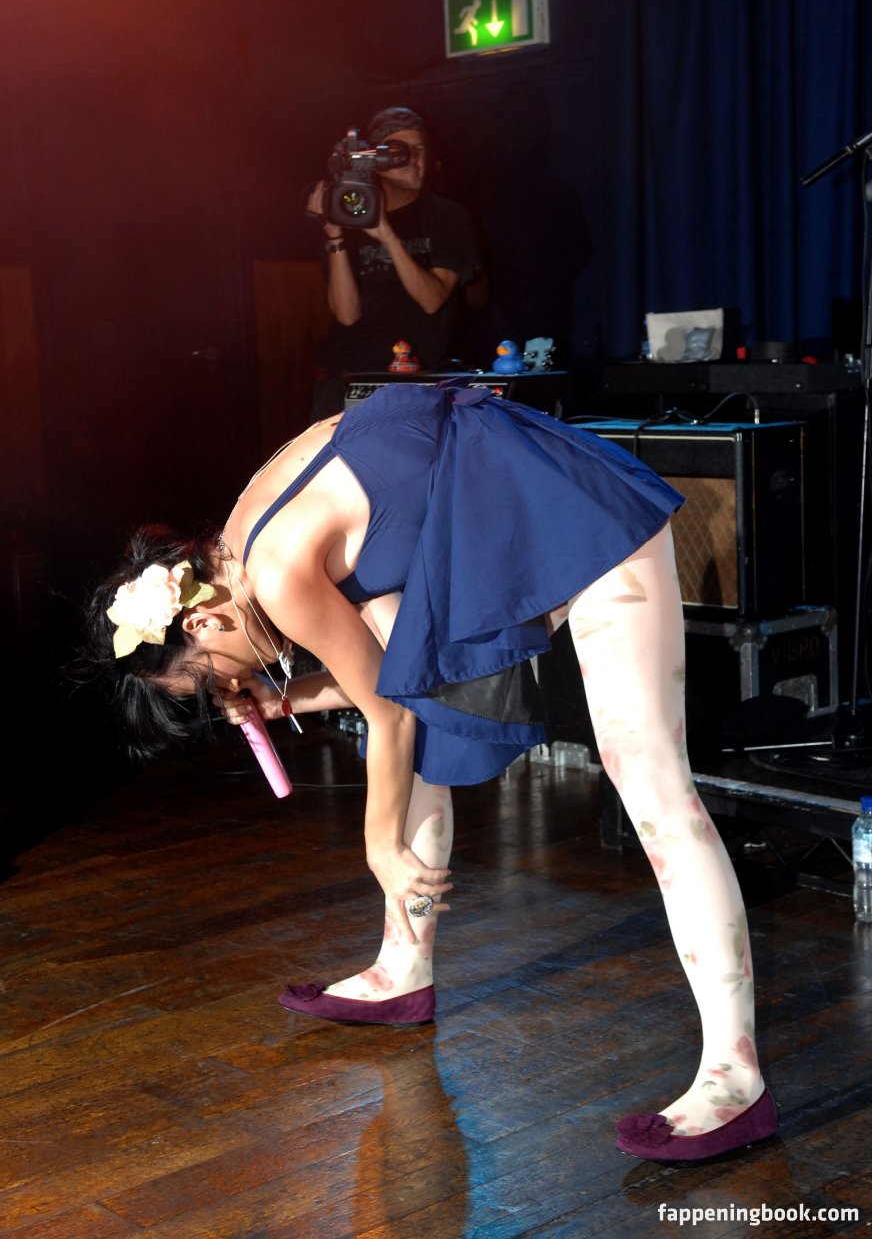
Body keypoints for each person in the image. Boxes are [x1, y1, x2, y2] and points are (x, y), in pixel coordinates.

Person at [86, 381, 776, 1163]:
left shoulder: (276, 571)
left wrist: (380, 846)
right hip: (495, 512)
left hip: (578, 513)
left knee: (650, 782)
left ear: (199, 618)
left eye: (217, 676)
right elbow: (395, 678)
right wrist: (285, 701)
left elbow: (387, 712)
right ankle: (402, 968)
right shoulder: (244, 532)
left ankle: (736, 1077)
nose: (236, 685)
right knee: (419, 733)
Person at [306, 106, 482, 419]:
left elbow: (432, 299)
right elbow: (346, 314)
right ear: (377, 161)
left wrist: (388, 236)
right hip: (356, 381)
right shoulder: (349, 212)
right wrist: (334, 235)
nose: (415, 159)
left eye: (421, 149)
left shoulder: (446, 216)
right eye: (401, 152)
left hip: (424, 383)